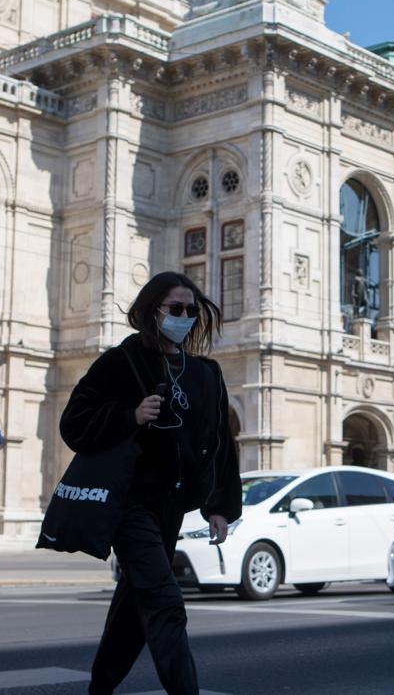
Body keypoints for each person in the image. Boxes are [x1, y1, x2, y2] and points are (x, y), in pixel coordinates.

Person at [61, 272, 242, 694]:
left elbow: (219, 443)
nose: (183, 317)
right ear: (150, 311)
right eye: (174, 309)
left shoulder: (205, 374)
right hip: (128, 504)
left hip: (169, 508)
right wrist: (130, 415)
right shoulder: (122, 362)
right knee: (165, 603)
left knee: (134, 607)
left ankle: (100, 687)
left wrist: (218, 505)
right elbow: (74, 423)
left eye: (191, 311)